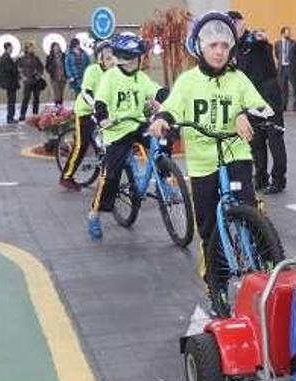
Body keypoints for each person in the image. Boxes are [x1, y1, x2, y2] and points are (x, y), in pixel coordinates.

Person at [149, 11, 272, 303]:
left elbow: (262, 107)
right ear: (200, 48)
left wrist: (246, 114)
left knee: (248, 211)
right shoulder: (188, 81)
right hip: (203, 163)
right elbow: (172, 107)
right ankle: (215, 281)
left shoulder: (238, 79)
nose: (219, 51)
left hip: (236, 155)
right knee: (208, 226)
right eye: (213, 45)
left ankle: (263, 263)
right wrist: (162, 119)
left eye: (224, 46)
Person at [87, 34, 167, 239]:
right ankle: (94, 214)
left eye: (139, 57)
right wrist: (103, 119)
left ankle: (165, 180)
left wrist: (165, 100)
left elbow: (157, 91)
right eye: (136, 56)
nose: (138, 60)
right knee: (110, 175)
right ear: (125, 58)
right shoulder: (111, 77)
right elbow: (100, 103)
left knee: (163, 139)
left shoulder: (140, 77)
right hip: (117, 130)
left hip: (137, 124)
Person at [228, 11, 288, 195]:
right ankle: (261, 178)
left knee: (274, 139)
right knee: (256, 141)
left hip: (269, 97)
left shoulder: (254, 39)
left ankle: (279, 179)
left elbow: (262, 42)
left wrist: (263, 39)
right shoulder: (233, 47)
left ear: (241, 23)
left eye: (233, 23)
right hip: (249, 99)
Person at [59, 40, 115, 192]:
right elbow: (86, 92)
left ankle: (107, 176)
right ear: (100, 59)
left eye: (113, 57)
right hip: (85, 111)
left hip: (103, 113)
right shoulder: (93, 70)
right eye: (107, 57)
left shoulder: (115, 73)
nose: (112, 60)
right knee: (81, 144)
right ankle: (66, 177)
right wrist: (95, 107)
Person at [16, 40, 45, 120]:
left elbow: (41, 67)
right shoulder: (22, 58)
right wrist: (22, 77)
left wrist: (39, 75)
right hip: (27, 81)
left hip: (36, 81)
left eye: (33, 47)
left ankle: (35, 114)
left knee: (36, 98)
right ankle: (22, 115)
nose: (32, 49)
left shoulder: (36, 58)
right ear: (26, 48)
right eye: (31, 47)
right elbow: (18, 68)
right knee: (26, 98)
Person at [274, 26, 296, 111]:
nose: (289, 34)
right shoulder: (277, 43)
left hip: (291, 67)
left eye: (289, 32)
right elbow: (277, 54)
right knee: (282, 87)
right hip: (282, 67)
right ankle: (283, 105)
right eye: (287, 32)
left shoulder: (294, 43)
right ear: (282, 33)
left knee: (295, 86)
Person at [0, 42, 20, 124]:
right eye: (11, 47)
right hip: (10, 83)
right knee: (11, 101)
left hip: (10, 82)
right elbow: (11, 70)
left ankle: (11, 117)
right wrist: (17, 61)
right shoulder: (6, 57)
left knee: (11, 100)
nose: (12, 49)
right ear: (8, 48)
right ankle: (10, 118)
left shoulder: (5, 57)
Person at [45, 41, 67, 107]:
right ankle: (57, 105)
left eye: (58, 47)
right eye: (55, 47)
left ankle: (61, 105)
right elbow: (47, 67)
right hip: (54, 77)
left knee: (61, 93)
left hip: (63, 76)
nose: (57, 48)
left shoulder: (63, 56)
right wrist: (50, 70)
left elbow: (66, 65)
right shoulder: (50, 57)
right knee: (56, 93)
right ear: (52, 48)